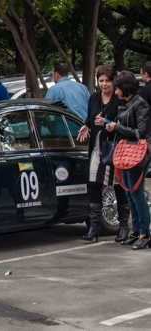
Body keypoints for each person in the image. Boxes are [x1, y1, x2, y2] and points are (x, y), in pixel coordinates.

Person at [77, 66, 130, 243]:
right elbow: (90, 117)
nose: (104, 84)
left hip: (115, 147)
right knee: (93, 184)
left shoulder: (119, 99)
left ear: (113, 81)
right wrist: (87, 125)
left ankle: (123, 226)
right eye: (101, 81)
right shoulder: (93, 98)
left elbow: (124, 122)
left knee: (118, 185)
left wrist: (107, 122)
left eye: (107, 80)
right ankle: (93, 226)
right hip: (97, 147)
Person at [105, 70, 151, 249]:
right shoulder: (127, 103)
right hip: (126, 152)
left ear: (124, 88)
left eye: (117, 88)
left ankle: (144, 233)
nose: (115, 92)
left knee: (136, 194)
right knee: (130, 194)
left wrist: (117, 127)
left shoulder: (141, 105)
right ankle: (137, 230)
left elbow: (141, 133)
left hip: (137, 154)